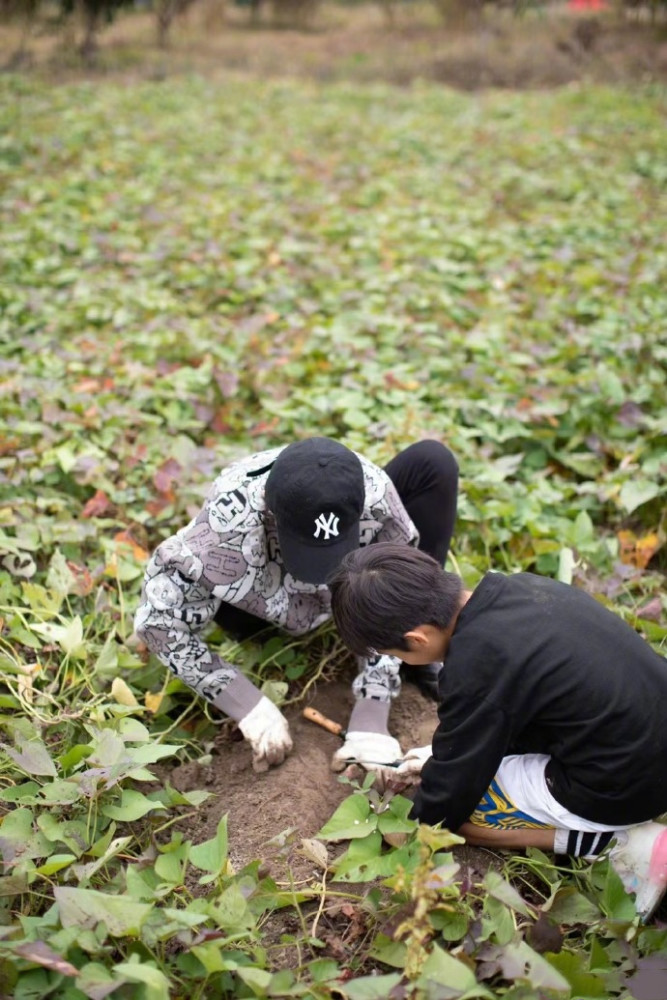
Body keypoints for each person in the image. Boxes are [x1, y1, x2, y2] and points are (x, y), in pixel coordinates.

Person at [327, 543, 667, 921]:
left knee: (470, 816)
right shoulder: (519, 588)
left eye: (397, 654)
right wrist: (441, 755)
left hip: (628, 785)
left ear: (418, 639)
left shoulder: (476, 665)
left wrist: (416, 828)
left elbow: (453, 790)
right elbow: (520, 707)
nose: (400, 661)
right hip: (647, 731)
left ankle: (614, 842)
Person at [134, 437, 458, 777]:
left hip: (357, 589)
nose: (321, 581)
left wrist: (372, 710)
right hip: (260, 604)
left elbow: (396, 586)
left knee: (431, 461)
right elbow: (158, 621)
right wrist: (248, 705)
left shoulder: (374, 494)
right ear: (269, 516)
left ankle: (416, 646)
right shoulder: (225, 527)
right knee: (199, 593)